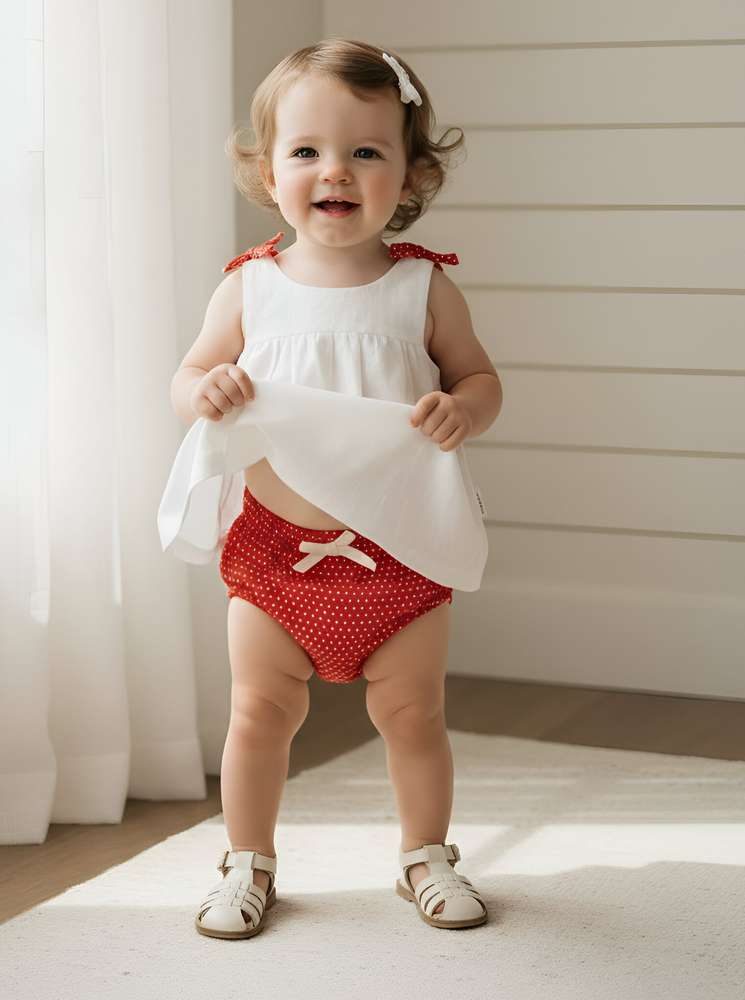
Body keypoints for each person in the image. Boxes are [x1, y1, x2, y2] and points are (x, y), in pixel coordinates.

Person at [161, 38, 502, 938]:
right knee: (257, 712)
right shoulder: (249, 288)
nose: (334, 171)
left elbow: (480, 379)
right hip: (277, 557)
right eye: (306, 150)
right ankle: (248, 861)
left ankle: (426, 854)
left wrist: (462, 410)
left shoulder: (422, 287)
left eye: (366, 151)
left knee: (414, 715)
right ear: (267, 172)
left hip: (400, 554)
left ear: (411, 173)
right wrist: (206, 390)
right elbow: (188, 377)